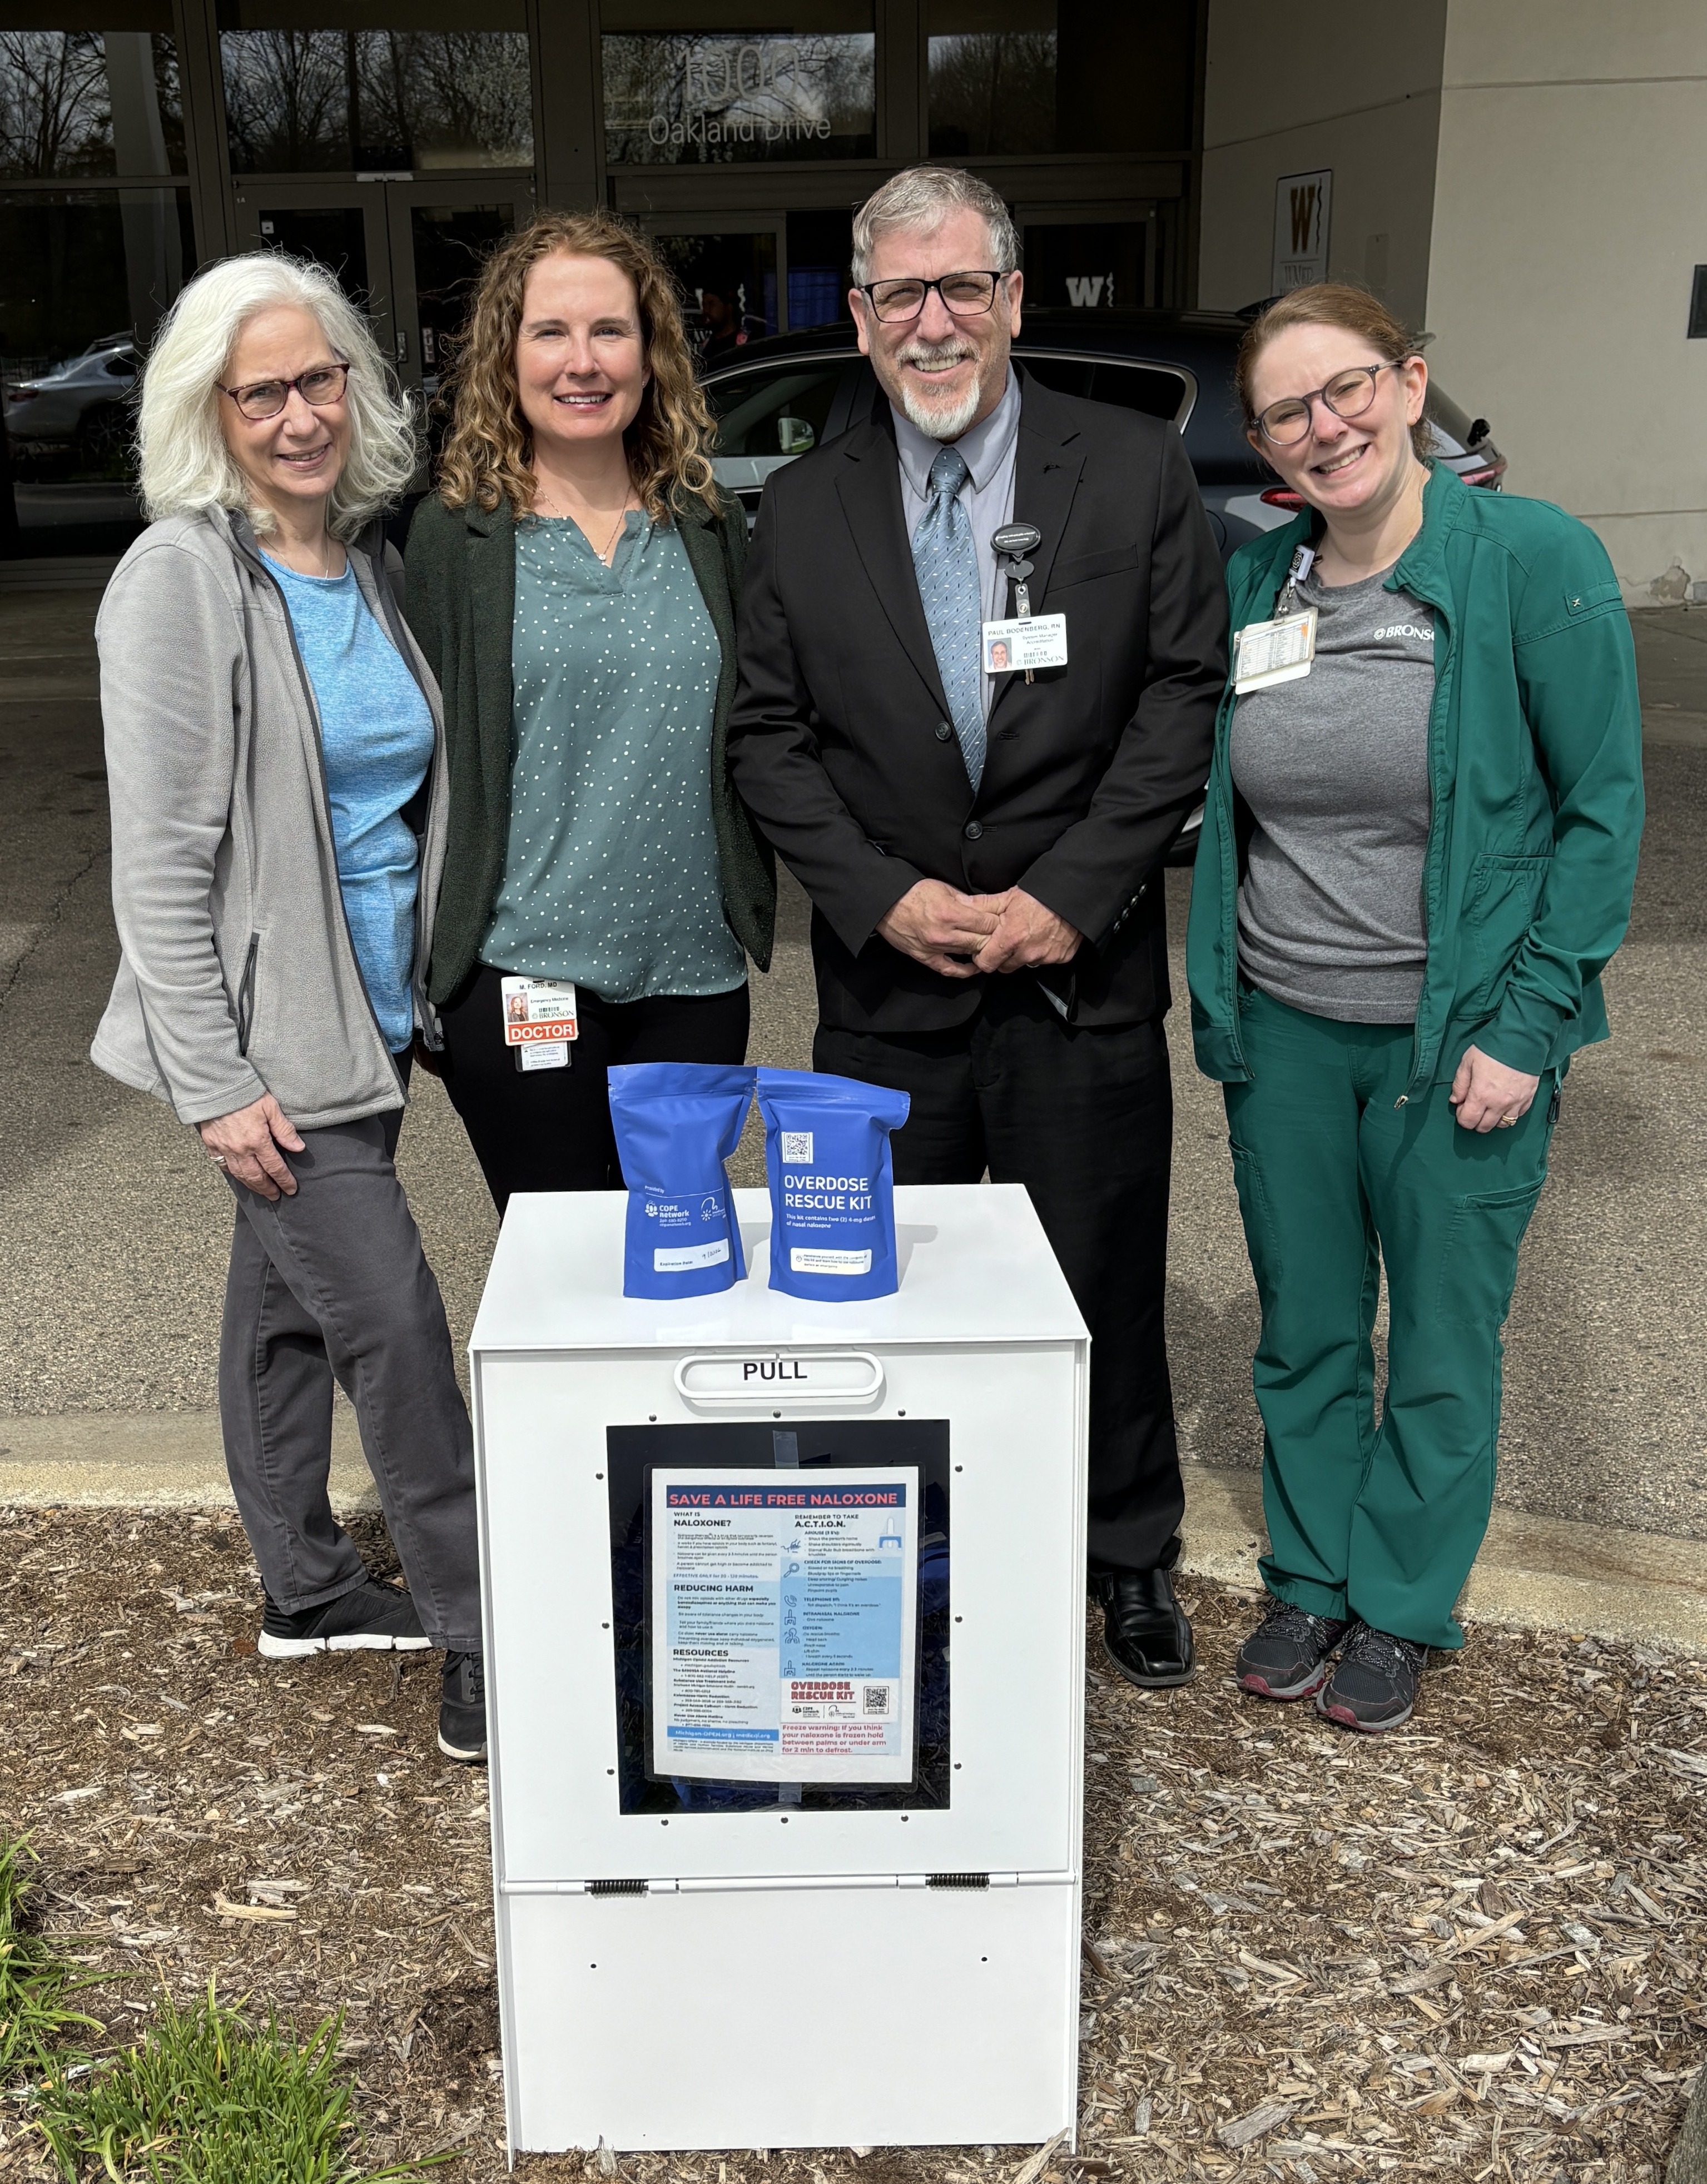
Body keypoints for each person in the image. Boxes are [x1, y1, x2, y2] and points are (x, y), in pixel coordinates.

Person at [725, 166, 1228, 1689]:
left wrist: (1066, 898)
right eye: (896, 296)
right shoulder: (802, 504)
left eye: (958, 289)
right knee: (894, 1293)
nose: (929, 324)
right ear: (859, 319)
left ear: (1010, 300)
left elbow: (1178, 695)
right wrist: (884, 896)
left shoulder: (1129, 468)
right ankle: (913, 1551)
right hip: (890, 990)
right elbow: (764, 740)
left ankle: (1121, 1549)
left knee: (1095, 1281)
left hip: (1076, 977)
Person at [1187, 282, 1644, 1732]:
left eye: (1345, 390)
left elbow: (1599, 808)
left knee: (1441, 1342)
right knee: (1307, 1330)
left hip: (1459, 1038)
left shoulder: (1527, 558)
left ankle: (1396, 1601)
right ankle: (1307, 1572)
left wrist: (1529, 1020)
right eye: (1285, 411)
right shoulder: (1260, 587)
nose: (1323, 428)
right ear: (1262, 444)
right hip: (1283, 1030)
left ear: (1406, 386)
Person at [91, 253, 487, 1760]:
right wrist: (214, 1079)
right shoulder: (179, 578)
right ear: (214, 410)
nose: (299, 411)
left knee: (282, 1319)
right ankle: (469, 1629)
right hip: (273, 1042)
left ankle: (305, 1588)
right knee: (387, 1316)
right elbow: (159, 861)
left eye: (318, 377)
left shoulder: (368, 563)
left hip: (370, 1010)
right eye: (261, 390)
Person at [405, 212, 775, 1213]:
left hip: (692, 975)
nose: (582, 362)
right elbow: (414, 764)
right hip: (522, 970)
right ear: (505, 355)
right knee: (563, 1280)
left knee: (679, 1258)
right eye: (550, 332)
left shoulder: (703, 525)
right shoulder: (455, 538)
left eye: (610, 331)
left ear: (652, 355)